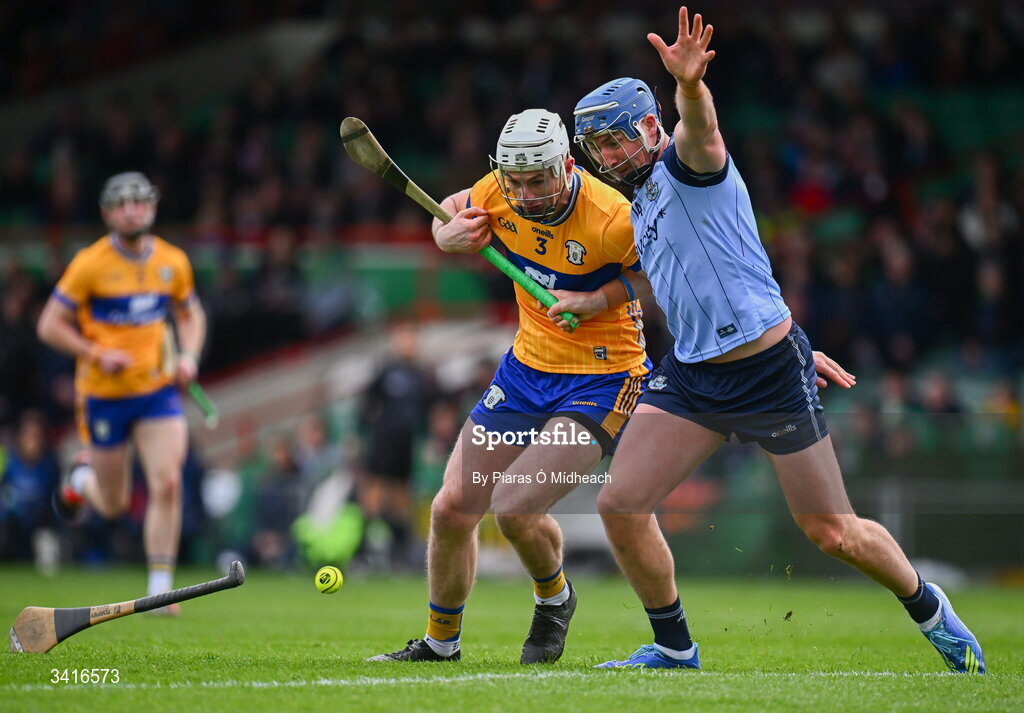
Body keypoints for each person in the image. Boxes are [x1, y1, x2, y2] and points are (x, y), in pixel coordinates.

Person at [572, 7, 984, 674]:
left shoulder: (688, 161)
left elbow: (700, 125)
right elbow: (707, 278)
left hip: (768, 373)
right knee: (620, 503)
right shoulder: (639, 202)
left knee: (831, 532)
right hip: (695, 376)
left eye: (619, 140)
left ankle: (930, 608)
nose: (611, 156)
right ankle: (675, 646)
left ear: (650, 128)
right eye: (601, 149)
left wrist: (689, 85)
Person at [368, 108, 656, 665]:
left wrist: (597, 300)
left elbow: (661, 274)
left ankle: (554, 599)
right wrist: (446, 237)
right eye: (513, 181)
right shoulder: (496, 189)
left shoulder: (613, 216)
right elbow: (446, 214)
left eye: (537, 181)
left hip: (602, 377)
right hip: (525, 371)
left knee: (515, 510)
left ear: (567, 166)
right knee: (452, 509)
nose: (523, 195)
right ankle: (440, 642)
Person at [38, 171, 206, 613]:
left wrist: (188, 356)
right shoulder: (90, 264)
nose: (131, 209)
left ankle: (160, 587)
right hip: (103, 395)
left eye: (139, 201)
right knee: (112, 504)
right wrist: (93, 352)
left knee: (168, 481)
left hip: (156, 391)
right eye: (121, 203)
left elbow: (191, 315)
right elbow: (49, 325)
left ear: (151, 207)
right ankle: (82, 480)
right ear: (107, 212)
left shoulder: (172, 261)